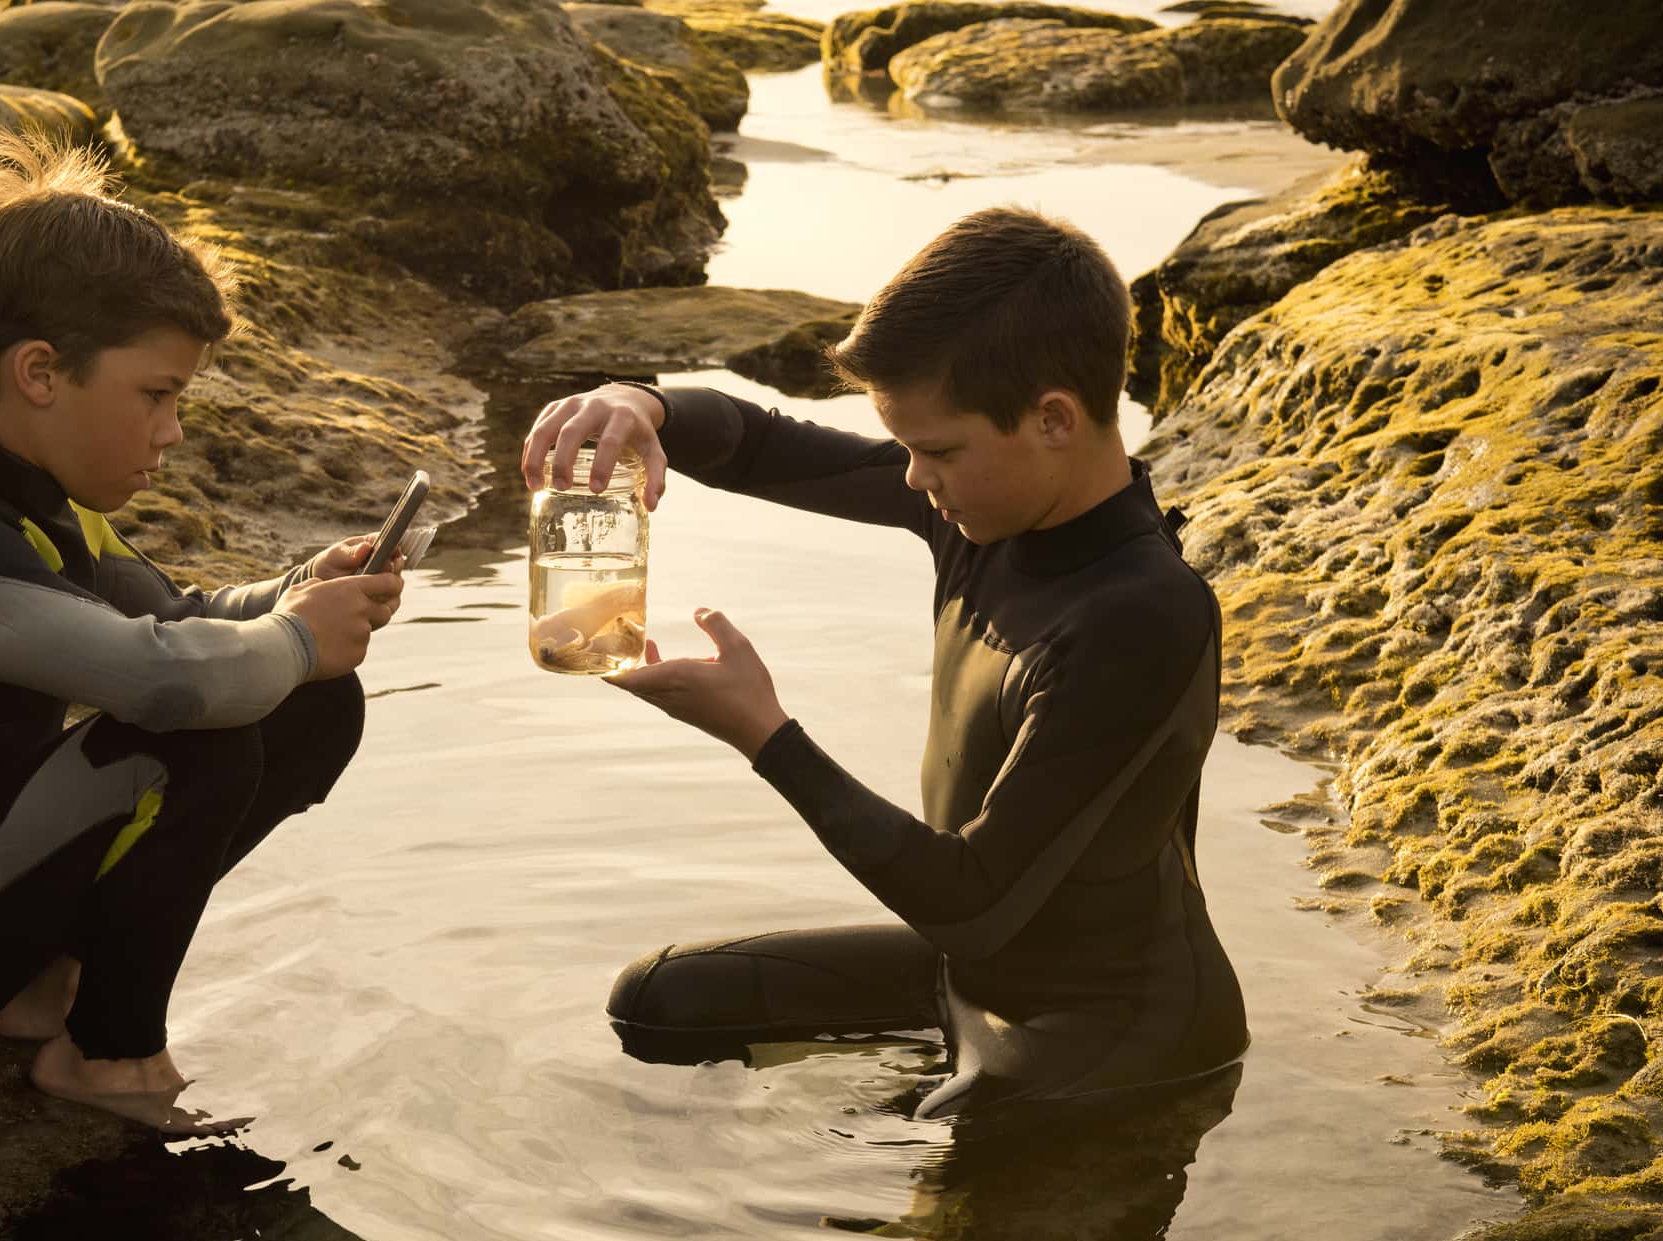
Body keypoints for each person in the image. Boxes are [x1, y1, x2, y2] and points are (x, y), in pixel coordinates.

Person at [520, 206, 1247, 1120]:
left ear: (1053, 419)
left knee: (947, 1191)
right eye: (905, 447)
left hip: (1111, 1024)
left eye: (935, 450)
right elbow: (764, 444)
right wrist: (640, 403)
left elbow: (973, 901)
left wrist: (764, 734)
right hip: (965, 966)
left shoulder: (1143, 617)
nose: (911, 479)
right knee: (659, 1000)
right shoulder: (984, 507)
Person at [0, 132, 405, 1132]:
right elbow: (165, 683)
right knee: (197, 737)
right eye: (157, 394)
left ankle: (42, 984)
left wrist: (299, 592)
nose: (173, 431)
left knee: (309, 696)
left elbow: (178, 620)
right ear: (41, 372)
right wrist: (296, 637)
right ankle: (110, 1057)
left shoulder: (24, 500)